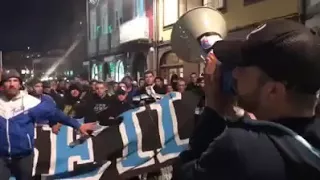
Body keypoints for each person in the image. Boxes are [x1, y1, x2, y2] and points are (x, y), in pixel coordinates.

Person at [174, 20, 320, 180]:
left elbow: (183, 173)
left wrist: (213, 109)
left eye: (243, 67)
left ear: (273, 91)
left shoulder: (239, 148)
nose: (235, 73)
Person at [0, 70, 95, 180]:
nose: (12, 84)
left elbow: (55, 113)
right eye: (8, 81)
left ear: (20, 84)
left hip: (23, 156)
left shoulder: (31, 102)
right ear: (2, 85)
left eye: (15, 81)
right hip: (1, 156)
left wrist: (78, 126)